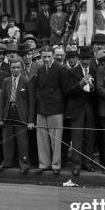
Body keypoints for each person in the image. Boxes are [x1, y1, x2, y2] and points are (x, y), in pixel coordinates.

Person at [0, 58, 34, 173]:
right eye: (13, 67)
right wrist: (0, 118)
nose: (15, 70)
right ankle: (7, 162)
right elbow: (2, 101)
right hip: (9, 112)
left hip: (21, 114)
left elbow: (31, 102)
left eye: (18, 67)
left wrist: (30, 120)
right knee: (7, 139)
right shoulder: (6, 81)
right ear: (10, 68)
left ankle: (24, 163)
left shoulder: (26, 81)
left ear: (21, 68)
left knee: (22, 140)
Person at [34, 47, 67, 175]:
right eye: (44, 57)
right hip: (42, 108)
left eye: (48, 56)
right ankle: (44, 163)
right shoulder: (41, 69)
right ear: (41, 58)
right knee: (42, 138)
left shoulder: (60, 69)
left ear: (53, 56)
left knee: (56, 139)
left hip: (55, 108)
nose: (46, 59)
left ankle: (56, 165)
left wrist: (59, 105)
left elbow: (64, 90)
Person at [66, 47, 97, 175]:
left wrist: (92, 87)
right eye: (83, 59)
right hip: (77, 109)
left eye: (87, 59)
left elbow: (97, 91)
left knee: (90, 137)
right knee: (77, 137)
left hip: (90, 108)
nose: (85, 61)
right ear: (79, 59)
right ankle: (76, 165)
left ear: (90, 59)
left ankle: (87, 163)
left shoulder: (95, 71)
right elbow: (68, 91)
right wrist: (80, 84)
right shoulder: (72, 71)